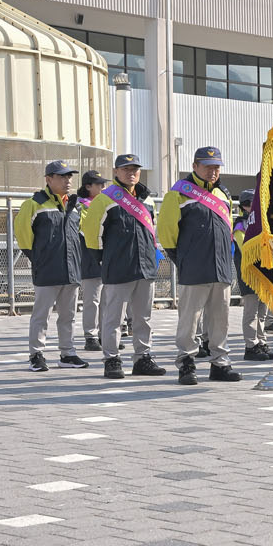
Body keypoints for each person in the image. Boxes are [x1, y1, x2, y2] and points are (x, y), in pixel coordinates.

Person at [159, 146, 241, 386]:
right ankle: (186, 363)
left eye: (216, 167)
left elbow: (228, 230)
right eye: (207, 166)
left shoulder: (223, 195)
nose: (212, 171)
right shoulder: (178, 194)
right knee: (190, 320)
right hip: (194, 267)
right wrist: (184, 259)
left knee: (220, 319)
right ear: (195, 166)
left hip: (221, 267)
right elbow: (167, 233)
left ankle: (220, 363)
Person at [80, 153, 165, 378]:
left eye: (135, 169)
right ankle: (112, 359)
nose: (131, 173)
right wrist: (105, 259)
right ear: (116, 172)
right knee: (113, 318)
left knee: (143, 318)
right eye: (126, 169)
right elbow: (91, 235)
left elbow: (151, 232)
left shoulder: (147, 200)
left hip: (145, 267)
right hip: (118, 267)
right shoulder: (104, 199)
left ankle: (142, 358)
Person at [13, 159, 88, 371]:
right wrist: (39, 259)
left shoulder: (75, 205)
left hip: (71, 270)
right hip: (47, 268)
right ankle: (36, 354)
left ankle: (68, 354)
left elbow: (80, 234)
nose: (67, 180)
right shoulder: (34, 204)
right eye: (62, 176)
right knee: (41, 315)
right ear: (48, 179)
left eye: (69, 176)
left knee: (68, 316)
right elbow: (23, 236)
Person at [233, 189, 273, 362]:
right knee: (251, 312)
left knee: (262, 311)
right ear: (245, 206)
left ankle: (261, 342)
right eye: (253, 203)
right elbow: (245, 248)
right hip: (250, 274)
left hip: (264, 271)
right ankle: (250, 345)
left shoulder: (263, 223)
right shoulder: (240, 225)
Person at [77, 170, 106, 352]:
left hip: (107, 258)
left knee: (107, 301)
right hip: (89, 258)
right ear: (88, 186)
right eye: (99, 184)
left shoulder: (106, 203)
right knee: (92, 300)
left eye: (104, 184)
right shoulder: (80, 206)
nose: (103, 187)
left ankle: (105, 335)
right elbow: (86, 230)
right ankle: (91, 336)